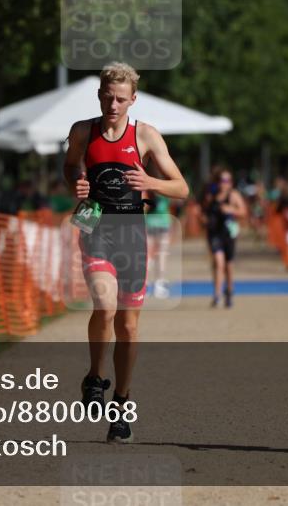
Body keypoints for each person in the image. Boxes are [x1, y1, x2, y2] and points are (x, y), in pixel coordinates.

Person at [64, 62, 189, 443]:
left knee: (129, 327)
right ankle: (95, 377)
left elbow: (182, 188)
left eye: (120, 99)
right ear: (99, 95)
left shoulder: (147, 136)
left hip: (133, 233)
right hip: (96, 227)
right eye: (107, 96)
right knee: (104, 305)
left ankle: (121, 402)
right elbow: (70, 166)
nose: (113, 104)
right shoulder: (83, 131)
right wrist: (79, 182)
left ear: (133, 99)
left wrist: (150, 181)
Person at [202, 167, 246, 308]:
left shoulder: (234, 196)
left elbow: (243, 211)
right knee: (218, 263)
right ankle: (217, 294)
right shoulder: (212, 195)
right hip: (214, 233)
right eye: (221, 180)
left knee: (228, 265)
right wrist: (203, 218)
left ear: (231, 182)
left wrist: (231, 209)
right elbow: (204, 210)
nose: (224, 183)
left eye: (227, 180)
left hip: (228, 234)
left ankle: (229, 290)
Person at [144, 192, 173, 299]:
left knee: (154, 256)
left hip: (159, 225)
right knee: (153, 257)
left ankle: (155, 285)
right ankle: (152, 285)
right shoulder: (163, 190)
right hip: (155, 225)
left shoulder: (148, 191)